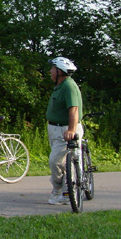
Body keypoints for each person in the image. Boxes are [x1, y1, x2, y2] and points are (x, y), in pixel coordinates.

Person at [46, 57, 83, 205]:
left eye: (52, 69)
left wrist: (71, 129)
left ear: (59, 71)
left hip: (65, 130)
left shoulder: (69, 86)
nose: (50, 71)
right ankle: (65, 189)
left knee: (55, 161)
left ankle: (60, 190)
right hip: (55, 128)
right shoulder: (59, 86)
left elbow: (73, 109)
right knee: (59, 162)